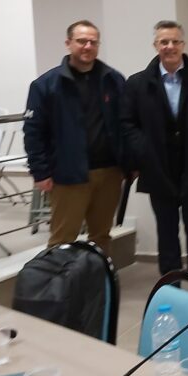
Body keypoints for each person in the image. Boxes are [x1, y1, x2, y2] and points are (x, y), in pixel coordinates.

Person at [120, 20, 188, 279]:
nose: (170, 46)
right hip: (158, 170)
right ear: (155, 45)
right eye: (163, 42)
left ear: (183, 44)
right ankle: (170, 286)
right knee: (166, 233)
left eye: (175, 41)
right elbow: (127, 124)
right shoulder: (136, 84)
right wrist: (145, 152)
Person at [24, 20, 126, 252]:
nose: (87, 46)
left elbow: (125, 124)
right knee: (62, 240)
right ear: (68, 43)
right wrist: (40, 172)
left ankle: (99, 276)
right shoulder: (45, 85)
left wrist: (129, 163)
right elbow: (33, 132)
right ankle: (61, 277)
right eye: (81, 41)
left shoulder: (113, 80)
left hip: (109, 173)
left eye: (93, 42)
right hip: (67, 175)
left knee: (101, 237)